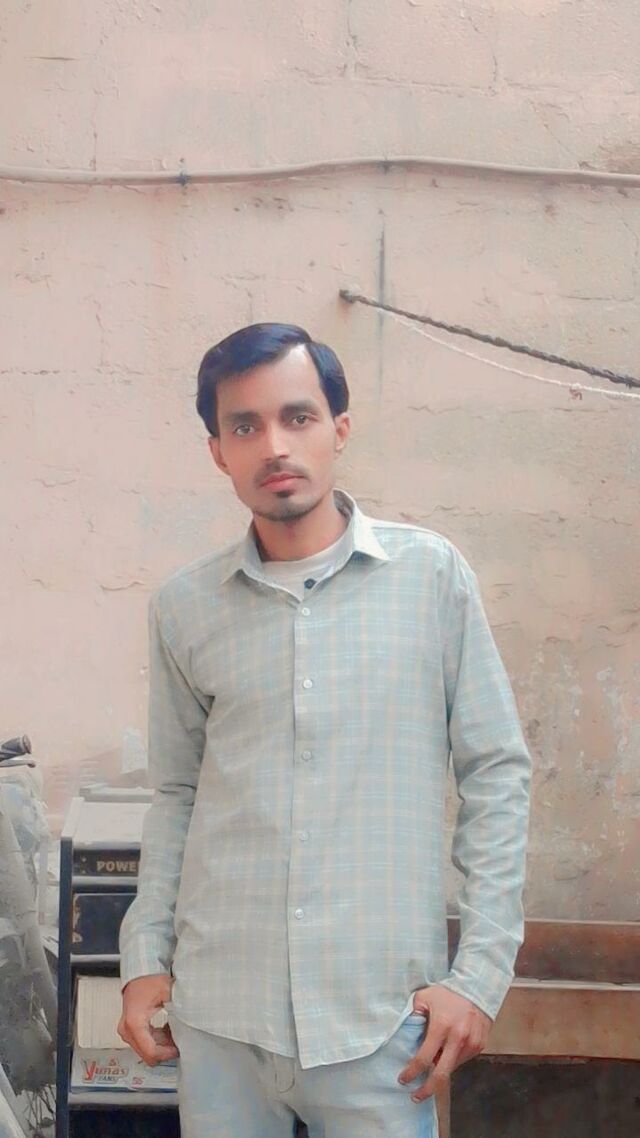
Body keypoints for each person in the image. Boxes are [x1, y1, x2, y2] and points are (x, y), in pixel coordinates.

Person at [118, 322, 531, 1137]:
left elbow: (496, 774)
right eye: (245, 426)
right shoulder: (186, 608)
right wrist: (143, 958)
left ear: (339, 429)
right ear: (218, 452)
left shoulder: (430, 579)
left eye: (297, 417)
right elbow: (177, 795)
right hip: (220, 1020)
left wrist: (479, 978)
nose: (274, 445)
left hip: (378, 1027)